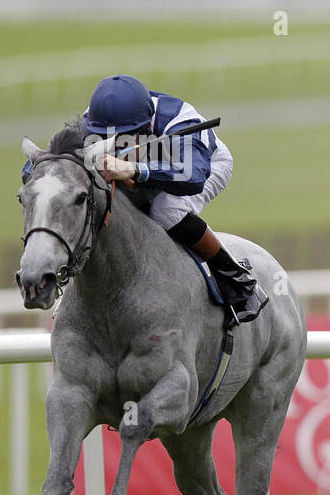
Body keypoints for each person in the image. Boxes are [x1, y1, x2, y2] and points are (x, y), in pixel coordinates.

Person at [24, 74, 267, 325]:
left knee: (166, 209)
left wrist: (135, 171)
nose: (114, 145)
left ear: (147, 127)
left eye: (123, 138)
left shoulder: (180, 120)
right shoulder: (90, 122)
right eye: (106, 137)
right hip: (150, 166)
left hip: (203, 166)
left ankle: (236, 279)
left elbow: (192, 177)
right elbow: (40, 171)